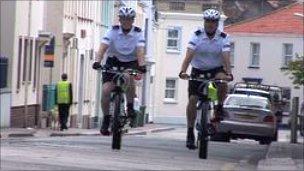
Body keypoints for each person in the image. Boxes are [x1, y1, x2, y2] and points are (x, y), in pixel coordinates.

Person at [179, 9, 233, 149]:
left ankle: (219, 106)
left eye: (213, 22)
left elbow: (226, 56)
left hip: (215, 69)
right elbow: (189, 55)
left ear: (217, 23)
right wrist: (183, 71)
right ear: (204, 22)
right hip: (198, 70)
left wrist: (229, 73)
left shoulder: (223, 37)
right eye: (207, 21)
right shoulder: (196, 35)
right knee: (192, 100)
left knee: (222, 81)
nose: (210, 24)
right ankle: (190, 132)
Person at [92, 7, 146, 135]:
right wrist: (97, 61)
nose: (126, 22)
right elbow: (103, 47)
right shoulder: (112, 31)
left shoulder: (138, 33)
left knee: (129, 76)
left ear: (133, 20)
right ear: (120, 20)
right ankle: (106, 118)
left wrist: (142, 65)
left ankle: (130, 106)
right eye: (123, 19)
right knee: (105, 90)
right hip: (113, 61)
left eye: (129, 19)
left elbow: (140, 51)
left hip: (131, 62)